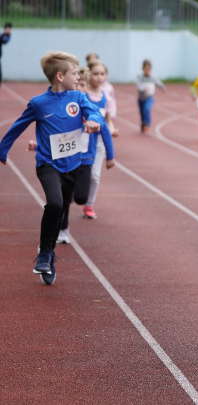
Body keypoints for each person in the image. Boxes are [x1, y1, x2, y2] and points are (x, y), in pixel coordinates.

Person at [0, 52, 103, 284]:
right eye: (74, 73)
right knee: (54, 203)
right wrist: (2, 149)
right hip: (48, 164)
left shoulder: (78, 97)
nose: (78, 76)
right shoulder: (39, 104)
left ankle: (50, 255)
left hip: (73, 165)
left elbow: (94, 111)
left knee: (62, 208)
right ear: (59, 76)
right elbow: (18, 126)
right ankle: (45, 253)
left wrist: (96, 120)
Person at [81, 62, 117, 223]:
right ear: (89, 75)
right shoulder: (82, 95)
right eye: (96, 73)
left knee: (95, 176)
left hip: (99, 142)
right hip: (80, 141)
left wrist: (112, 129)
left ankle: (89, 204)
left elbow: (107, 121)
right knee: (77, 174)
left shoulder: (106, 98)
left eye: (102, 74)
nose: (99, 77)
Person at [136, 59, 165, 134]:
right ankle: (143, 123)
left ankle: (147, 124)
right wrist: (143, 89)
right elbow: (138, 86)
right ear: (143, 69)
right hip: (141, 98)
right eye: (146, 69)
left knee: (147, 109)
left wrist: (162, 87)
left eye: (149, 69)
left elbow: (158, 83)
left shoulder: (153, 77)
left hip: (149, 97)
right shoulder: (140, 77)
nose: (147, 70)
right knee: (142, 112)